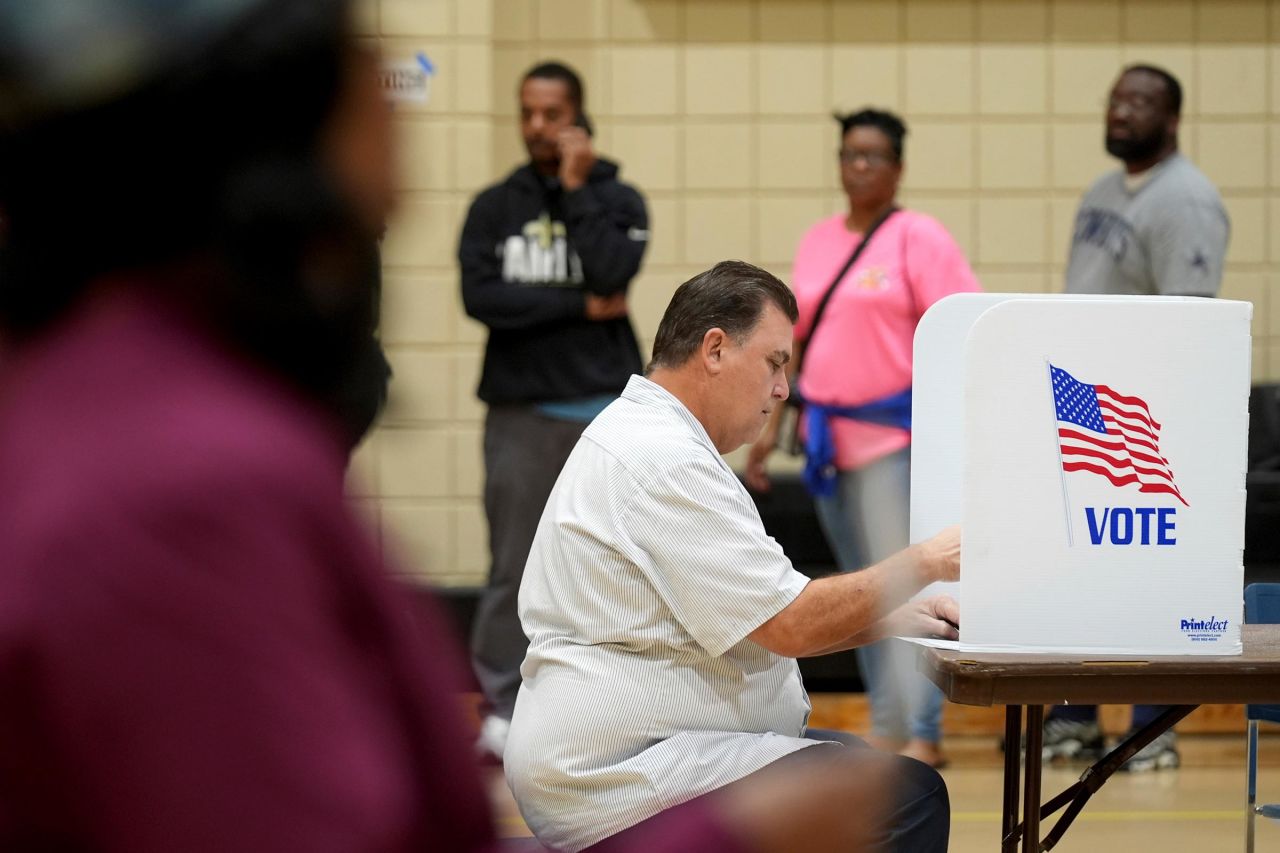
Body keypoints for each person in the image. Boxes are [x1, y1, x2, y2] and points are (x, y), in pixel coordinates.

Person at [506, 260, 962, 853]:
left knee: (852, 762)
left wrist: (889, 617)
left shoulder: (650, 436)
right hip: (614, 775)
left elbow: (753, 617)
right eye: (775, 363)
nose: (783, 389)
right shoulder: (663, 457)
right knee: (905, 795)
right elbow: (789, 623)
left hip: (625, 753)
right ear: (715, 349)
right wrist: (923, 562)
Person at [745, 109, 980, 769]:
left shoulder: (919, 238)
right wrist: (768, 431)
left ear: (898, 167)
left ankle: (922, 732)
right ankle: (888, 724)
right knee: (862, 595)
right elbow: (793, 343)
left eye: (874, 156)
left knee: (906, 589)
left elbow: (962, 328)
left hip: (893, 444)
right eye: (849, 154)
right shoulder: (819, 240)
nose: (859, 168)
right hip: (827, 445)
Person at [459, 61, 649, 758]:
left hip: (605, 413)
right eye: (527, 113)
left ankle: (610, 706)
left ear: (576, 116)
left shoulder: (618, 198)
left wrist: (575, 189)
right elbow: (482, 299)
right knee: (513, 564)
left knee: (613, 565)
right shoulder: (493, 207)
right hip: (522, 410)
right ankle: (504, 709)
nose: (537, 126)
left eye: (551, 113)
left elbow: (612, 273)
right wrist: (575, 308)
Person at [1044, 64, 1230, 773]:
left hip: (1147, 416)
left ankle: (1151, 729)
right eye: (1117, 98)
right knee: (1082, 566)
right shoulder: (1099, 191)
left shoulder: (1188, 199)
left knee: (1150, 573)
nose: (1122, 111)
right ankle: (1077, 719)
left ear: (1172, 118)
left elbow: (1188, 322)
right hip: (1084, 406)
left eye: (1140, 102)